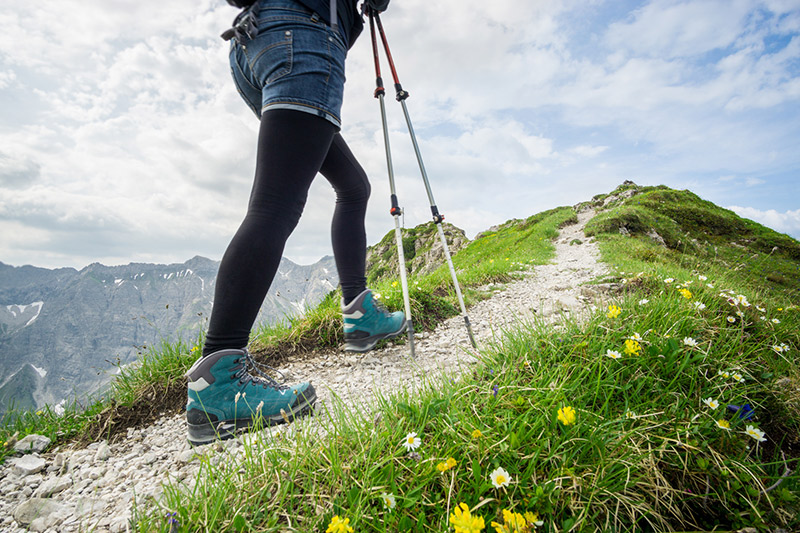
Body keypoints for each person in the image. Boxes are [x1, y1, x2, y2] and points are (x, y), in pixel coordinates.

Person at [185, 0, 402, 446]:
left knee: (353, 186)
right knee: (274, 207)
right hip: (303, 39)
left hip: (256, 42)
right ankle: (218, 384)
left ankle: (360, 316)